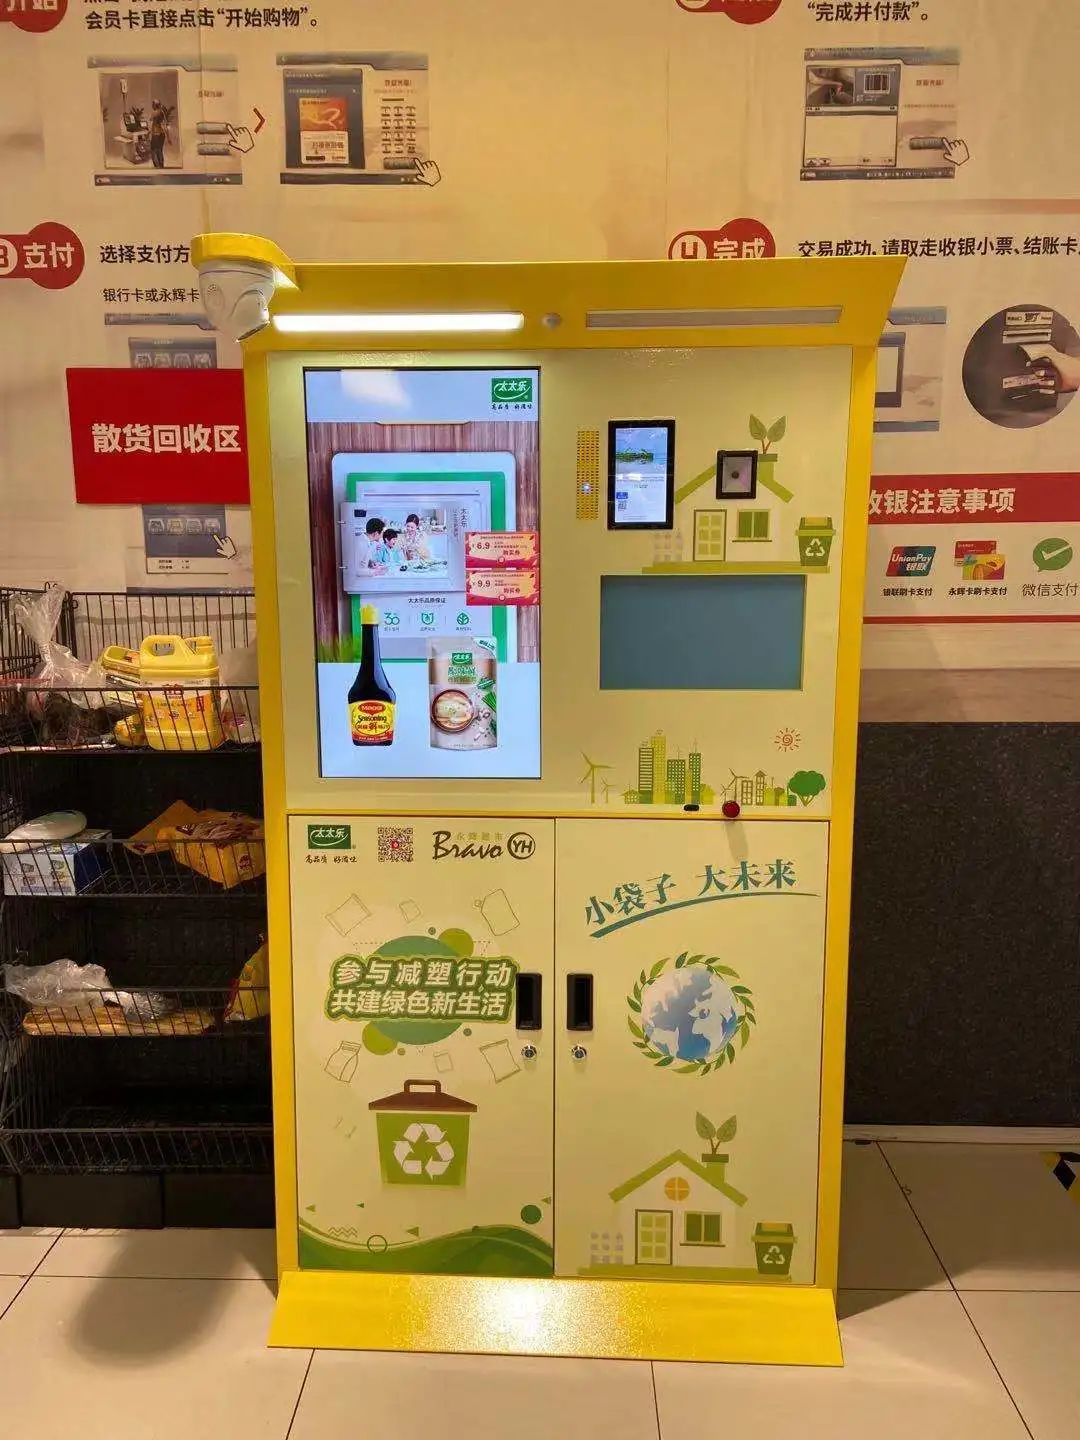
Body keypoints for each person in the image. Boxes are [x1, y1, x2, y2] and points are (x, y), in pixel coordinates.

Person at [149, 101, 171, 169]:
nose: (152, 106)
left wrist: (148, 133)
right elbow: (165, 125)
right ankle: (161, 166)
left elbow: (151, 124)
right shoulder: (162, 112)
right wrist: (168, 137)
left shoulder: (154, 113)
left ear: (155, 105)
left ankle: (157, 166)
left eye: (153, 104)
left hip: (156, 134)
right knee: (160, 150)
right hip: (162, 134)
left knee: (153, 150)